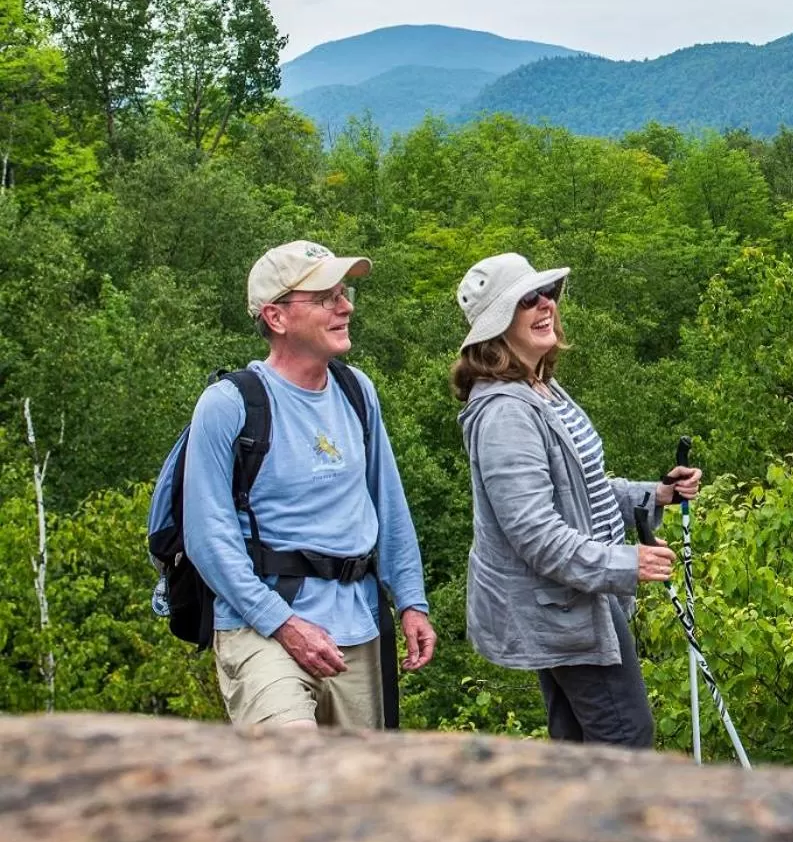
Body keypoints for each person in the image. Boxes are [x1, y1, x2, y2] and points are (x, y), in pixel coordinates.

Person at [182, 241, 436, 729]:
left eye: (344, 293)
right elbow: (207, 539)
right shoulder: (229, 404)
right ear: (277, 318)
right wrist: (284, 623)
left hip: (358, 625)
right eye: (324, 297)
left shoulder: (356, 390)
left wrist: (410, 600)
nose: (346, 306)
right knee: (290, 766)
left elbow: (387, 501)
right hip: (262, 627)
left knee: (355, 792)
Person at [451, 252, 699, 746]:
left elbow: (580, 490)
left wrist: (655, 495)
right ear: (498, 324)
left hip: (577, 595)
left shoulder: (540, 387)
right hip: (563, 604)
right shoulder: (505, 412)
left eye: (549, 294)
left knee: (577, 743)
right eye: (527, 300)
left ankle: (564, 826)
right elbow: (534, 533)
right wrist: (625, 563)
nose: (546, 305)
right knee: (624, 741)